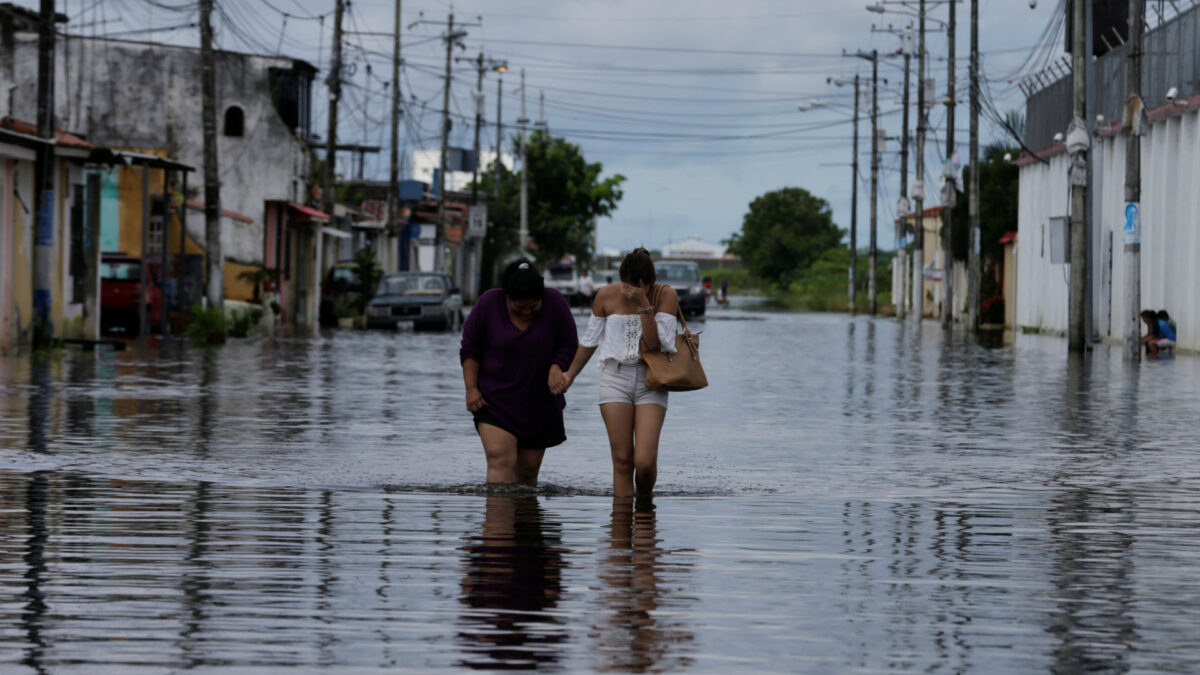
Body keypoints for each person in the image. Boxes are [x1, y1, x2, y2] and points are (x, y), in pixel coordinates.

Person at [563, 248, 679, 497]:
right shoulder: (605, 295)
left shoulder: (665, 295)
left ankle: (645, 505)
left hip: (652, 380)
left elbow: (654, 345)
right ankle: (621, 527)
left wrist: (645, 305)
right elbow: (589, 341)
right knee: (623, 461)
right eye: (627, 285)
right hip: (614, 378)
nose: (630, 291)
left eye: (638, 286)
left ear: (650, 281)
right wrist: (569, 375)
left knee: (645, 464)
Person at [460, 259, 578, 486]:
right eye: (519, 307)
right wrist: (471, 388)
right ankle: (497, 520)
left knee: (527, 473)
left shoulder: (555, 303)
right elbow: (470, 350)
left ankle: (525, 520)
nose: (526, 312)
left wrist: (557, 366)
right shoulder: (488, 304)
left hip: (539, 402)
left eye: (533, 307)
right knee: (499, 459)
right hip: (495, 401)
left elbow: (569, 343)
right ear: (507, 297)